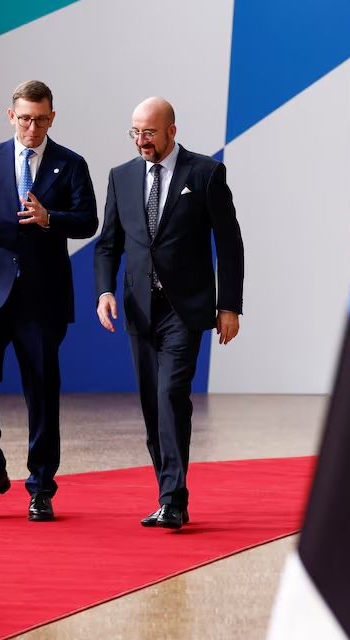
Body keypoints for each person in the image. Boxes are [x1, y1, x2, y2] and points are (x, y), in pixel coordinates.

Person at [94, 97, 244, 529]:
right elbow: (108, 243)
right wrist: (104, 290)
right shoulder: (120, 177)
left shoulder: (206, 174)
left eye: (149, 133)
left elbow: (229, 245)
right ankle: (167, 491)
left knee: (171, 396)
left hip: (186, 309)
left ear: (171, 131)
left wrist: (228, 305)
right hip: (139, 308)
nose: (141, 141)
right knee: (150, 404)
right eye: (135, 132)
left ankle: (173, 499)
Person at [0, 80, 98, 521]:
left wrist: (50, 218)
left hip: (42, 294)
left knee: (41, 389)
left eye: (40, 119)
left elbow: (89, 221)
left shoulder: (71, 164)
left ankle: (40, 487)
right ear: (10, 115)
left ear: (52, 118)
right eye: (24, 118)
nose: (31, 127)